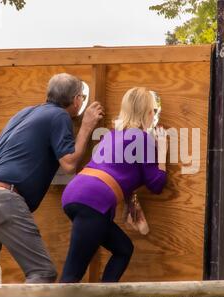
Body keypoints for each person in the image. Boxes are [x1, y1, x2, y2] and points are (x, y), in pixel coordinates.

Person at [0, 73, 104, 283]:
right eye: (82, 97)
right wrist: (85, 127)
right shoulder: (60, 116)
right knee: (42, 272)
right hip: (1, 199)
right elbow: (68, 164)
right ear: (76, 100)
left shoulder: (24, 113)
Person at [60, 87, 167, 283]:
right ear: (147, 112)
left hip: (78, 194)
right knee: (71, 276)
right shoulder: (142, 138)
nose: (154, 115)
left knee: (123, 249)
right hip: (92, 202)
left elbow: (121, 171)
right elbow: (156, 184)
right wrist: (162, 152)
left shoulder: (112, 135)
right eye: (153, 110)